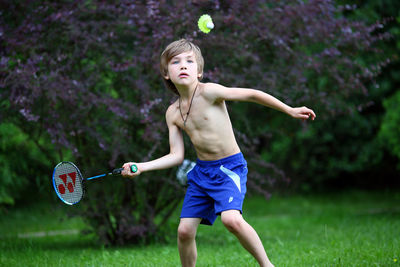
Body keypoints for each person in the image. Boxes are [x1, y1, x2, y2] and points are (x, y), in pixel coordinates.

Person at [122, 39, 316, 267]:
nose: (183, 66)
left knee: (232, 220)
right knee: (184, 231)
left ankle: (267, 265)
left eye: (189, 61)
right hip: (202, 173)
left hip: (229, 168)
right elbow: (176, 155)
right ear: (166, 73)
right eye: (175, 62)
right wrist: (142, 166)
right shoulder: (172, 113)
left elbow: (252, 95)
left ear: (200, 71)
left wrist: (289, 110)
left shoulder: (210, 92)